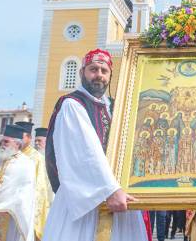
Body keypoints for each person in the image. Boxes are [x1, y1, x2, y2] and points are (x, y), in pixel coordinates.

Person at [43, 49, 147, 241]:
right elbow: (84, 152)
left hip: (119, 193)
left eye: (104, 70)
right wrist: (110, 189)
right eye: (93, 69)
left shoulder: (117, 107)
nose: (99, 74)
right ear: (82, 72)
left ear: (110, 76)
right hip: (87, 198)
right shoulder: (72, 104)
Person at [0, 124, 37, 241]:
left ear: (17, 144)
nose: (2, 145)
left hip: (11, 214)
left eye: (6, 142)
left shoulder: (26, 164)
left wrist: (17, 209)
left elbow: (26, 193)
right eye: (2, 142)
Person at [15, 121, 50, 240]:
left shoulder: (37, 158)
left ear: (28, 138)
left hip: (27, 207)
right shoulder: (12, 154)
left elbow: (40, 189)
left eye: (20, 136)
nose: (17, 140)